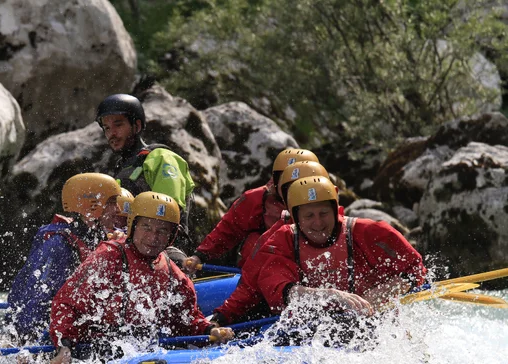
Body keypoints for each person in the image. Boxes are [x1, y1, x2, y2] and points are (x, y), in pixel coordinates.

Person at [210, 176, 426, 330]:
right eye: (309, 216)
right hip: (313, 328)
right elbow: (281, 291)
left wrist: (377, 296)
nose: (318, 223)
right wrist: (331, 296)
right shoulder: (280, 241)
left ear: (335, 210)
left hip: (374, 319)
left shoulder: (372, 232)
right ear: (295, 217)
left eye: (324, 213)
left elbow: (416, 271)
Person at [49, 192, 234, 363]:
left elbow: (188, 319)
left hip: (140, 349)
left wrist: (210, 330)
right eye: (146, 227)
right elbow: (66, 303)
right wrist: (64, 346)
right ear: (132, 226)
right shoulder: (108, 257)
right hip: (96, 348)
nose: (153, 237)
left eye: (162, 230)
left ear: (171, 236)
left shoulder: (172, 273)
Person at [6, 173, 121, 344]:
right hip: (51, 339)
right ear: (91, 205)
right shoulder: (59, 245)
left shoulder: (101, 239)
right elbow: (36, 300)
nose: (118, 210)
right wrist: (28, 344)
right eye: (111, 203)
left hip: (80, 333)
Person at [183, 148, 320, 272]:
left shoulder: (324, 203)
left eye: (300, 182)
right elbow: (227, 231)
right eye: (286, 181)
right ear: (276, 180)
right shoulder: (255, 199)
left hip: (307, 269)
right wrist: (199, 256)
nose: (292, 189)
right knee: (254, 241)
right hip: (257, 272)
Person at [95, 94, 196, 254]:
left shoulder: (162, 158)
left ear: (137, 126)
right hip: (129, 248)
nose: (111, 133)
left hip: (164, 250)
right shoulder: (122, 169)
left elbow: (167, 212)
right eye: (107, 128)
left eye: (118, 125)